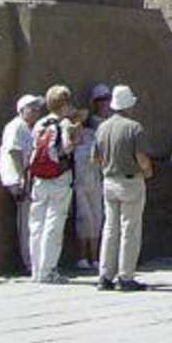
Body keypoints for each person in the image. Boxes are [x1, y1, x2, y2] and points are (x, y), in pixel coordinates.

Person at [95, 84, 154, 292]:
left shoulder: (102, 127)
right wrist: (147, 171)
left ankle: (105, 275)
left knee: (110, 229)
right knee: (130, 228)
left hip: (109, 180)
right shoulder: (134, 128)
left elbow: (95, 158)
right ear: (128, 105)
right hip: (130, 181)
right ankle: (126, 276)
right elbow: (141, 157)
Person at [26, 84, 79, 283]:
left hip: (39, 178)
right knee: (54, 223)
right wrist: (74, 138)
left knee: (36, 223)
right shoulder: (63, 123)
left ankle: (36, 270)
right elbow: (66, 148)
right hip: (59, 177)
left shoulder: (40, 123)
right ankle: (48, 270)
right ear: (64, 105)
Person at [0, 93, 42, 270]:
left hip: (27, 176)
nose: (36, 111)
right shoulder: (16, 127)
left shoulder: (30, 127)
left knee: (31, 219)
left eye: (37, 109)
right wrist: (21, 178)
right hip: (18, 178)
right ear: (21, 110)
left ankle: (32, 258)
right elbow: (14, 152)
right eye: (32, 108)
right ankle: (28, 261)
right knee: (25, 221)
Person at [71, 83, 110, 273]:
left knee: (97, 218)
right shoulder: (85, 132)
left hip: (97, 178)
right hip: (82, 179)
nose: (104, 104)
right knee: (84, 218)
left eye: (107, 99)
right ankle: (82, 256)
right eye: (100, 100)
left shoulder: (105, 127)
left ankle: (94, 257)